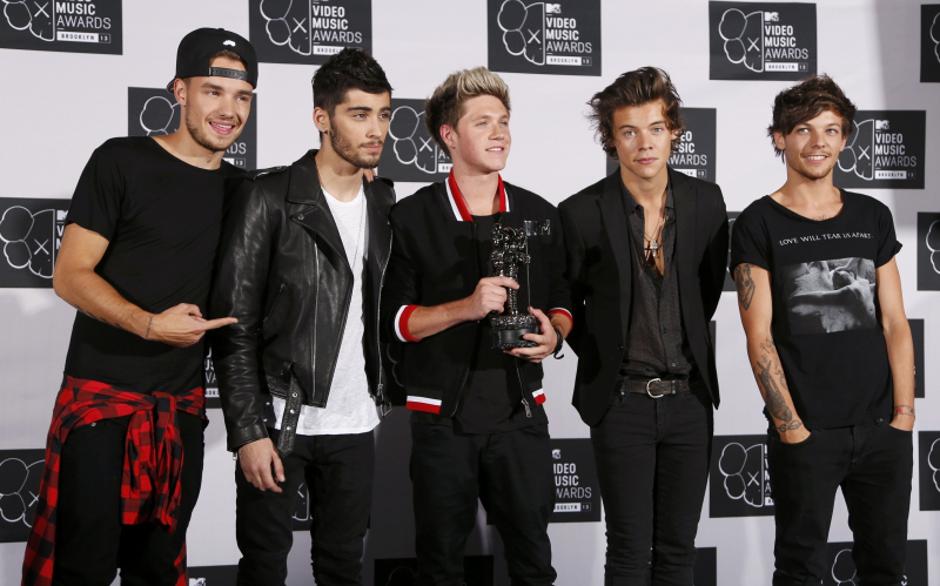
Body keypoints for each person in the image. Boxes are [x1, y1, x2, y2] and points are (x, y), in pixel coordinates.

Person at [22, 27, 257, 586]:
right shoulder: (121, 161)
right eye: (213, 91)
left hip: (180, 413)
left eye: (243, 96)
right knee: (82, 569)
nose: (229, 110)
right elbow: (70, 275)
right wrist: (148, 325)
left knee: (159, 567)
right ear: (179, 91)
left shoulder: (244, 190)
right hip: (102, 405)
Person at [210, 48, 396, 586]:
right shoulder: (268, 197)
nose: (375, 129)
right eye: (358, 114)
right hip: (279, 421)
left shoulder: (385, 201)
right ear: (322, 118)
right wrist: (248, 431)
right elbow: (234, 325)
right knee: (265, 567)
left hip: (356, 423)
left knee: (343, 568)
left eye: (383, 115)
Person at [381, 66, 572, 586]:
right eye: (483, 122)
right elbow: (397, 324)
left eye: (504, 121)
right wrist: (466, 306)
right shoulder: (411, 217)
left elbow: (561, 298)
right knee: (441, 566)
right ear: (449, 135)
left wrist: (555, 333)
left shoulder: (539, 213)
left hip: (520, 414)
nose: (499, 133)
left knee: (534, 561)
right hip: (442, 420)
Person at [730, 75, 915, 585]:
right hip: (808, 431)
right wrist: (790, 426)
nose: (818, 142)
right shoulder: (758, 223)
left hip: (881, 429)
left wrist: (903, 415)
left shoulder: (871, 216)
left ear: (845, 139)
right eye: (804, 129)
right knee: (799, 568)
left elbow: (896, 323)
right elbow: (759, 335)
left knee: (885, 566)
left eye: (831, 130)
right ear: (779, 138)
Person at [558, 67, 728, 585]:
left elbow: (706, 292)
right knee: (629, 551)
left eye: (655, 128)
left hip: (689, 402)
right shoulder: (581, 211)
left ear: (673, 129)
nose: (644, 143)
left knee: (678, 551)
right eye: (629, 131)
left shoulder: (707, 202)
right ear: (611, 139)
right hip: (622, 403)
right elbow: (569, 303)